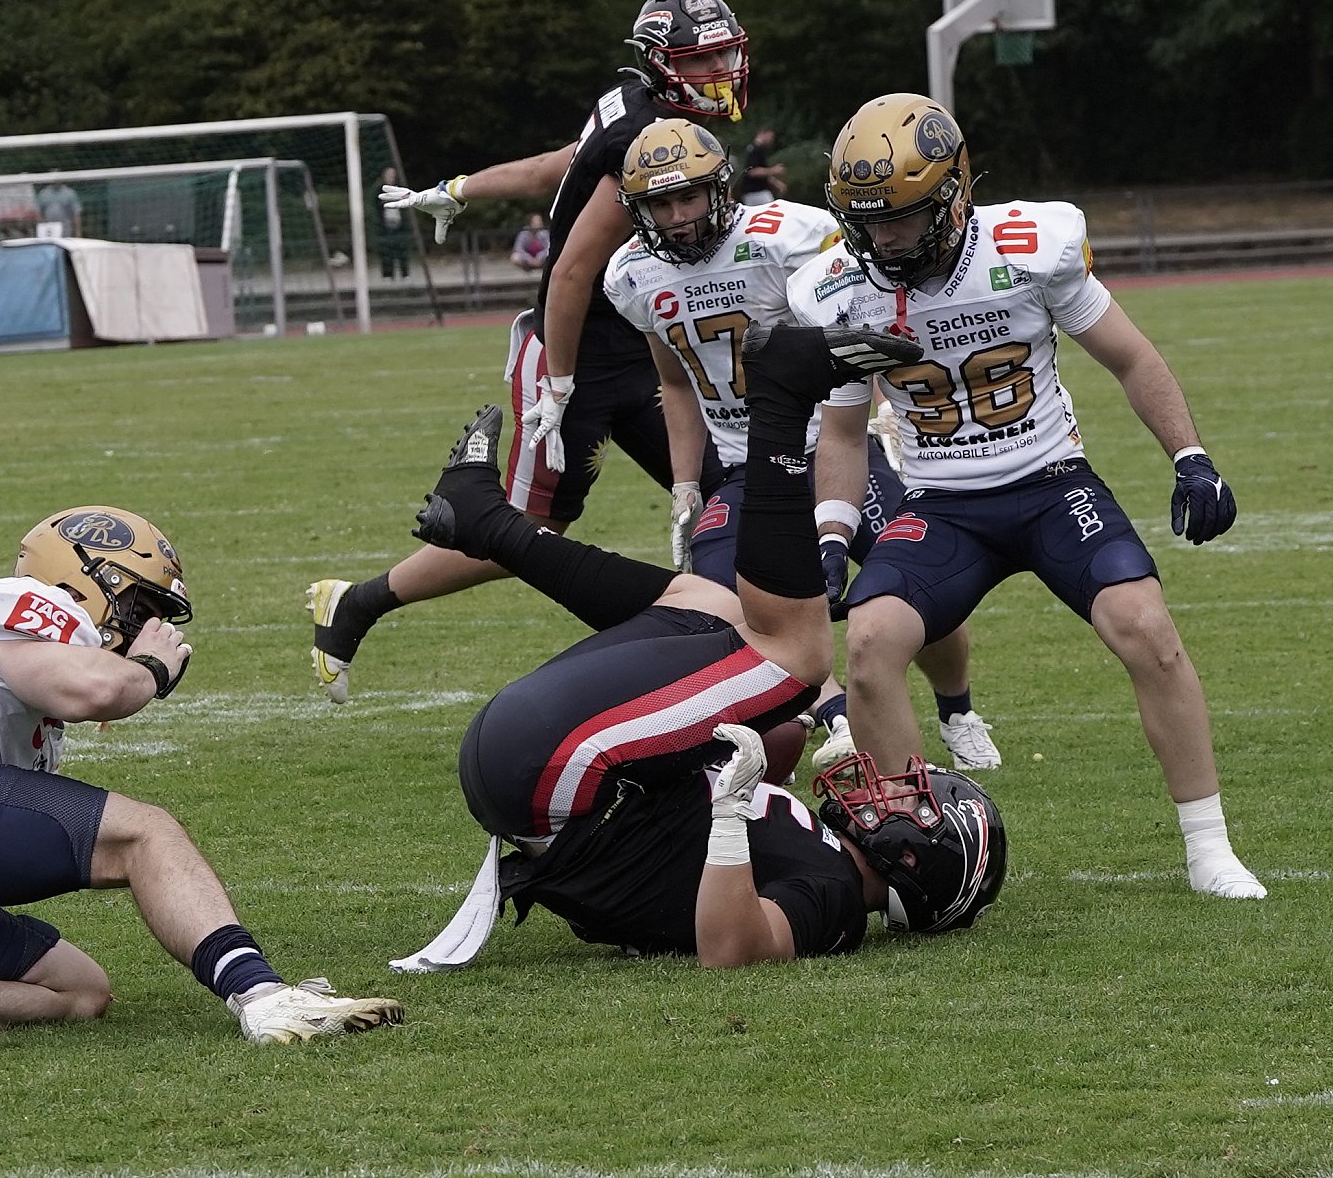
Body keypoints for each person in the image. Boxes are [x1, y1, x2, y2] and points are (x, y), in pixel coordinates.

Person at [796, 92, 1262, 900]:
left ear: (954, 195)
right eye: (867, 220)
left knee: (1146, 627)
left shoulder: (1028, 247)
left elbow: (1131, 357)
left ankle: (1209, 846)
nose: (884, 237)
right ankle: (917, 852)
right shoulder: (837, 287)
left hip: (1050, 484)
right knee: (869, 645)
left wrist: (1190, 457)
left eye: (901, 216)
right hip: (940, 504)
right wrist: (832, 534)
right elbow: (841, 434)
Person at [390, 383, 1003, 973]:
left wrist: (730, 815)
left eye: (914, 802)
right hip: (548, 775)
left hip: (552, 779)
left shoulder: (835, 896)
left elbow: (731, 948)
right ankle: (487, 523)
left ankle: (782, 409)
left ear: (915, 860)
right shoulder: (825, 858)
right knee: (713, 605)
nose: (891, 790)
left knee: (796, 658)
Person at [0, 504, 404, 1058]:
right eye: (140, 607)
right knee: (144, 834)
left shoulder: (30, 708)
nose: (145, 628)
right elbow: (94, 689)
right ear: (85, 578)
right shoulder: (26, 602)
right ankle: (263, 995)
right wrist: (149, 670)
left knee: (76, 989)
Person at [310, 0, 751, 703]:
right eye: (704, 60)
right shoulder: (643, 133)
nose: (722, 72)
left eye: (725, 56)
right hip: (576, 353)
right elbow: (571, 270)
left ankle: (753, 662)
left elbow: (560, 163)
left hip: (642, 348)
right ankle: (357, 602)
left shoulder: (638, 107)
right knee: (531, 528)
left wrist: (462, 186)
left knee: (726, 486)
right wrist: (561, 384)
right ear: (661, 62)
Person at [600, 118, 1002, 775]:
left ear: (720, 189)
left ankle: (957, 709)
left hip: (831, 446)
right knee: (724, 598)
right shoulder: (631, 275)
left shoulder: (788, 236)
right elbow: (674, 380)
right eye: (659, 204)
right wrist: (685, 485)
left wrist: (885, 409)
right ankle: (835, 711)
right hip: (747, 467)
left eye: (688, 197)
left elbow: (860, 314)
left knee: (919, 583)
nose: (675, 217)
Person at [373, 165, 409, 280]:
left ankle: (405, 273)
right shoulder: (379, 190)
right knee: (386, 250)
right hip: (385, 224)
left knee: (401, 249)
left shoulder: (400, 189)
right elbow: (375, 206)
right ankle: (388, 274)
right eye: (388, 175)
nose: (391, 177)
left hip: (399, 223)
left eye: (393, 175)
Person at [735, 125, 786, 206]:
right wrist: (773, 170)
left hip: (757, 192)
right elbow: (752, 171)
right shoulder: (755, 150)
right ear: (763, 133)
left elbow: (763, 173)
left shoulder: (758, 150)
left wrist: (776, 183)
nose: (771, 139)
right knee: (772, 209)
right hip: (755, 192)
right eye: (770, 136)